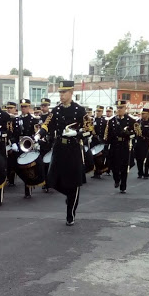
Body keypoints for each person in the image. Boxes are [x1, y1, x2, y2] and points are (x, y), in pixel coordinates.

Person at [44, 81, 87, 225]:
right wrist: (38, 135)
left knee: (74, 182)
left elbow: (89, 129)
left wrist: (78, 133)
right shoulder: (56, 110)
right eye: (60, 92)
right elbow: (46, 125)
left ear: (71, 92)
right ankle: (69, 195)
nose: (61, 95)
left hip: (73, 148)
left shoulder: (79, 110)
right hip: (59, 148)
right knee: (52, 180)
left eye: (64, 92)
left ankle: (70, 214)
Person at [104, 100, 136, 193]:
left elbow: (136, 134)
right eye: (118, 108)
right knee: (114, 166)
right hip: (115, 145)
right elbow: (108, 135)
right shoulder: (111, 120)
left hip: (125, 145)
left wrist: (129, 134)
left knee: (124, 167)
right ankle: (117, 179)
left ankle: (123, 186)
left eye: (121, 108)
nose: (119, 109)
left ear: (125, 108)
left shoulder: (131, 120)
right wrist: (106, 145)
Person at [134, 107, 149, 179]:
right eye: (141, 114)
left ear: (148, 114)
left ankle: (146, 173)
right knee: (139, 158)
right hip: (139, 141)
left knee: (147, 158)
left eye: (144, 114)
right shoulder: (138, 121)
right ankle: (140, 172)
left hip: (148, 141)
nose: (142, 115)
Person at [5, 101, 18, 186]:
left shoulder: (17, 119)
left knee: (13, 162)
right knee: (7, 163)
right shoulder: (5, 119)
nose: (9, 110)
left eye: (11, 108)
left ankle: (11, 179)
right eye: (8, 108)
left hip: (15, 143)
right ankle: (7, 178)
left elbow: (17, 133)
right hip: (6, 143)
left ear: (15, 109)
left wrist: (14, 143)